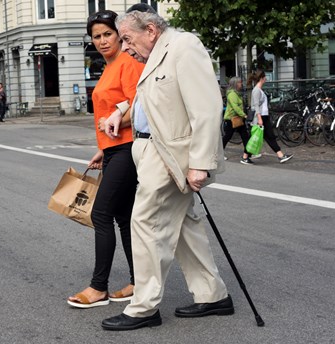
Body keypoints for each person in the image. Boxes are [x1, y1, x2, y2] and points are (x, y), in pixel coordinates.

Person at [101, 5, 233, 331]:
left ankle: (144, 307)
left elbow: (206, 107)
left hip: (171, 155)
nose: (125, 46)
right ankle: (212, 295)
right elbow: (150, 97)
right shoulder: (152, 54)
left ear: (150, 30)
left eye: (128, 38)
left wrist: (200, 163)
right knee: (185, 229)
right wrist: (122, 112)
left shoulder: (183, 46)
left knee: (144, 222)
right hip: (149, 151)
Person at [66, 10, 144, 309]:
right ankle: (139, 282)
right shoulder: (109, 66)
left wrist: (117, 127)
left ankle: (98, 288)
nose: (101, 41)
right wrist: (103, 147)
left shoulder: (128, 63)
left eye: (107, 34)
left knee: (101, 214)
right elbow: (112, 110)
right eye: (96, 36)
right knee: (123, 218)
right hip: (114, 150)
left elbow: (139, 106)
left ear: (119, 34)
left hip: (127, 149)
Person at [248, 70, 292, 163]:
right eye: (264, 77)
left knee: (269, 136)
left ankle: (280, 155)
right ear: (261, 78)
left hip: (264, 116)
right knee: (256, 138)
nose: (266, 79)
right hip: (261, 117)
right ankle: (245, 156)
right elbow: (255, 105)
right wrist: (259, 118)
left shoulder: (259, 90)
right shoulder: (256, 90)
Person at [222, 77, 253, 164]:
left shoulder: (237, 93)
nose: (241, 84)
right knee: (227, 136)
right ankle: (218, 154)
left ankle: (247, 155)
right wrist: (244, 115)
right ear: (235, 84)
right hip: (231, 119)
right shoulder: (232, 94)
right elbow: (235, 107)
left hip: (238, 118)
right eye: (239, 83)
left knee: (245, 136)